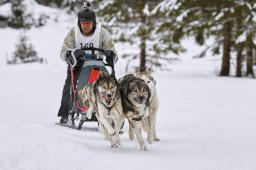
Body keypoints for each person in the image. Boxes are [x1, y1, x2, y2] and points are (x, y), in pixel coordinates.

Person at [57, 2, 118, 123]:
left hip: (98, 64)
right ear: (79, 23)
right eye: (83, 23)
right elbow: (64, 51)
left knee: (110, 84)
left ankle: (112, 109)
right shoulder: (73, 33)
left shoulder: (103, 33)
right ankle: (65, 112)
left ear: (93, 23)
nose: (86, 26)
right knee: (70, 84)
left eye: (88, 23)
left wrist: (111, 56)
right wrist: (72, 55)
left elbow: (111, 49)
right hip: (77, 65)